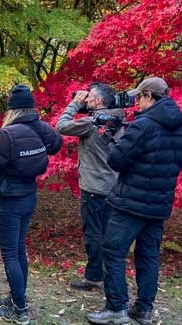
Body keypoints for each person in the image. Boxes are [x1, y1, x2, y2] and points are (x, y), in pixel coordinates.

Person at [86, 77, 182, 325]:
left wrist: (112, 136)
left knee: (113, 250)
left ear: (149, 96)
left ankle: (116, 307)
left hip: (131, 201)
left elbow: (117, 160)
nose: (137, 102)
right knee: (149, 254)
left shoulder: (143, 125)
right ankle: (143, 308)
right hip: (160, 202)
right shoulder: (179, 127)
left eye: (139, 97)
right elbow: (180, 161)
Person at [0, 85, 62, 325]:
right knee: (19, 249)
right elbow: (56, 144)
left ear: (11, 109)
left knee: (10, 253)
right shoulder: (41, 128)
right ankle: (17, 297)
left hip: (11, 197)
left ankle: (19, 308)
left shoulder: (8, 134)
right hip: (29, 195)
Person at [56, 83, 124, 292]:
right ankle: (104, 276)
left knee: (93, 234)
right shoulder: (119, 121)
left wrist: (74, 104)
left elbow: (61, 126)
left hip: (94, 187)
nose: (86, 100)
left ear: (99, 101)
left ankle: (96, 277)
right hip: (113, 186)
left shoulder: (91, 123)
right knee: (107, 234)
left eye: (89, 97)